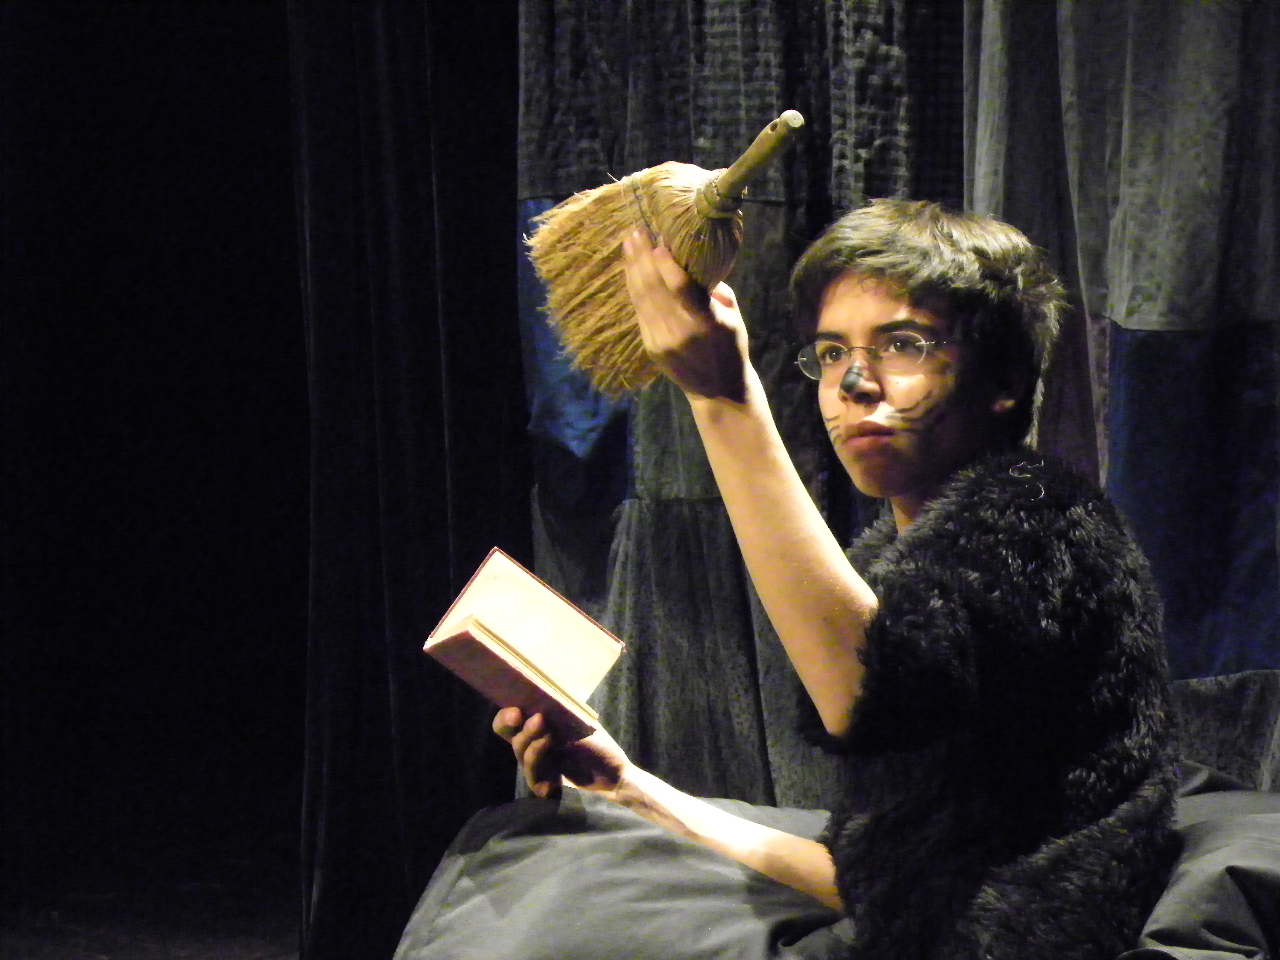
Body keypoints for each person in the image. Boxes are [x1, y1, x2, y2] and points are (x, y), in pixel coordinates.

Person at [494, 199, 1176, 960]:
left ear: (1005, 378)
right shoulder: (904, 561)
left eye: (903, 345)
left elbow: (870, 701)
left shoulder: (1040, 521)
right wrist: (630, 788)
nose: (853, 381)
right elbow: (884, 884)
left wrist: (724, 398)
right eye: (829, 353)